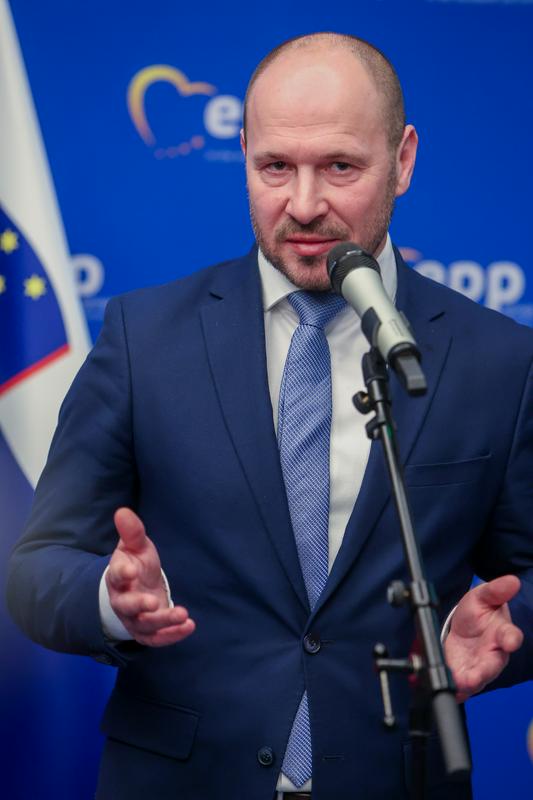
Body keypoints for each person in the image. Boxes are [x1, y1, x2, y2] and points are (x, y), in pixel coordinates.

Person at [7, 32, 533, 800]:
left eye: (340, 167)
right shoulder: (142, 338)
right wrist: (109, 601)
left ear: (402, 159)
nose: (305, 204)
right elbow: (36, 567)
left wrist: (489, 634)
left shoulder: (497, 359)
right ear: (243, 155)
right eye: (275, 167)